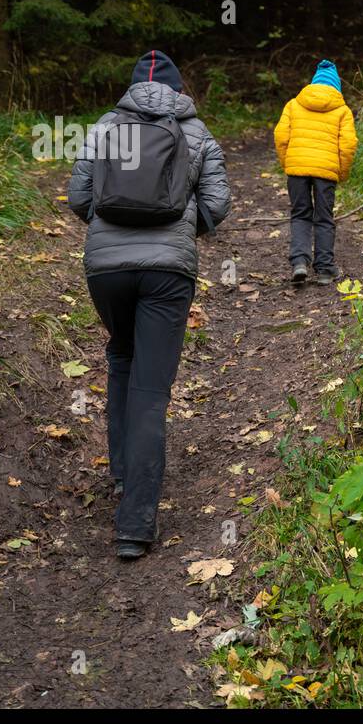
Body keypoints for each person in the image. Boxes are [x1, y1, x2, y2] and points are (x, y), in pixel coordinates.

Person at [67, 49, 230, 560]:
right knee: (152, 390)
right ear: (179, 89)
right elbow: (218, 203)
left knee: (120, 355)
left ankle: (122, 475)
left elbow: (78, 196)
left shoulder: (105, 125)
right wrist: (183, 228)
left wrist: (109, 224)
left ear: (132, 86)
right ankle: (135, 524)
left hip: (106, 270)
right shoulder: (196, 130)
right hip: (168, 272)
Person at [273, 59, 358, 285]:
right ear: (336, 86)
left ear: (313, 83)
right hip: (326, 172)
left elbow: (281, 136)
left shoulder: (293, 105)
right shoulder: (342, 110)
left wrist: (288, 164)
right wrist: (342, 172)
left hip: (297, 169)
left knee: (300, 214)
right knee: (324, 217)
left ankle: (299, 262)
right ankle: (325, 269)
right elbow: (348, 145)